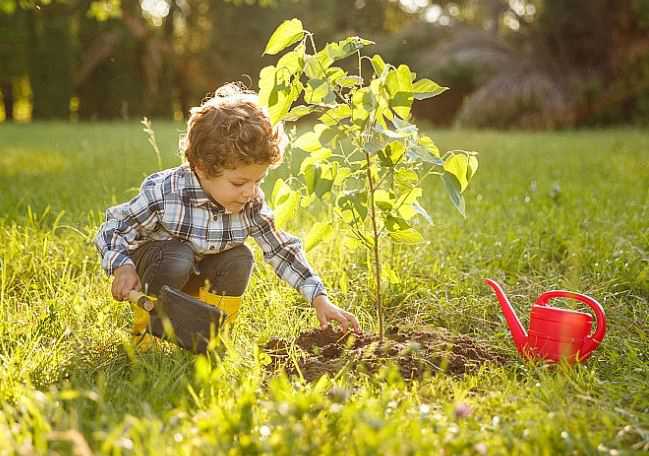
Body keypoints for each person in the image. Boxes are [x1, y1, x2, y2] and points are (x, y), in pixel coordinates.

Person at [95, 82, 361, 347]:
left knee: (240, 257)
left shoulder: (250, 203)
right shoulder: (167, 194)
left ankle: (210, 336)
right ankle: (147, 337)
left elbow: (282, 249)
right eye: (239, 183)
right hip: (161, 270)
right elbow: (114, 227)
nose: (250, 192)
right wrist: (123, 266)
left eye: (258, 181)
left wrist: (319, 298)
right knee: (177, 256)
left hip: (198, 279)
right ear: (201, 168)